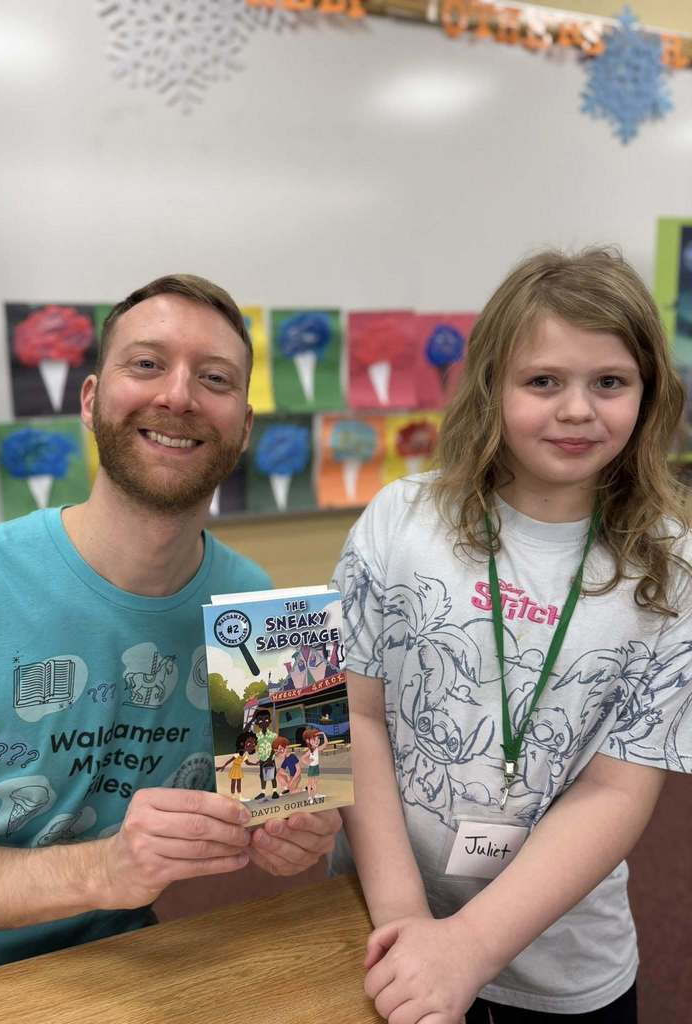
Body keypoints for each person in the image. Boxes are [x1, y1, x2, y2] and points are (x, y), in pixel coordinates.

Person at [0, 273, 341, 984]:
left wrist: (296, 851)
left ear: (243, 428)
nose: (177, 395)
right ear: (90, 401)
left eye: (214, 378)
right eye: (146, 364)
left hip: (155, 968)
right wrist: (105, 869)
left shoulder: (270, 618)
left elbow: (272, 890)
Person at [331, 248, 692, 1023]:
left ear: (649, 393)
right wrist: (406, 922)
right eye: (542, 381)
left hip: (566, 962)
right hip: (379, 929)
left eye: (610, 382)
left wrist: (468, 948)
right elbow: (352, 714)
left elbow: (618, 788)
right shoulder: (402, 518)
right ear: (493, 384)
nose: (576, 410)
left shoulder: (673, 568)